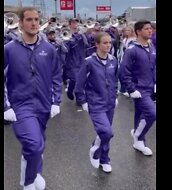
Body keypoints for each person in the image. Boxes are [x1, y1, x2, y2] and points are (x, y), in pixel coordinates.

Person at [4, 7, 62, 190]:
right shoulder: (9, 50)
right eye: (29, 19)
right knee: (34, 145)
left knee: (38, 144)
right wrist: (6, 106)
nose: (34, 23)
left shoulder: (48, 49)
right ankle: (28, 182)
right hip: (20, 106)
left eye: (36, 19)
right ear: (20, 23)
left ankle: (35, 172)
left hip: (43, 105)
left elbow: (56, 75)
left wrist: (56, 101)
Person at [74, 32, 119, 173]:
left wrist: (115, 94)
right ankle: (95, 150)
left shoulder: (113, 60)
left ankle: (104, 159)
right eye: (105, 43)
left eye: (110, 43)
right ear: (97, 45)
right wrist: (83, 101)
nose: (108, 45)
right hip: (95, 103)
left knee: (103, 133)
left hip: (110, 103)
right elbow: (79, 84)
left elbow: (115, 80)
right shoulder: (89, 62)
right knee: (107, 132)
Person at [119, 20, 156, 156]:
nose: (150, 30)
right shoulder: (132, 50)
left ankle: (138, 140)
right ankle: (138, 136)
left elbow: (154, 67)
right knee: (152, 114)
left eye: (150, 28)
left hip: (150, 87)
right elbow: (123, 71)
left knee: (140, 115)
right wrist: (131, 89)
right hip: (139, 89)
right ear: (138, 32)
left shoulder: (151, 47)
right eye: (146, 29)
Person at [64, 18, 89, 101]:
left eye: (76, 23)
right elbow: (66, 49)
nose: (75, 25)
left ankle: (79, 99)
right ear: (70, 24)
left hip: (81, 59)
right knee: (74, 79)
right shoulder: (66, 35)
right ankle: (70, 91)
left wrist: (82, 34)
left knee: (81, 80)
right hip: (71, 61)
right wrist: (71, 40)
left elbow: (86, 44)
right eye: (74, 23)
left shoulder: (81, 34)